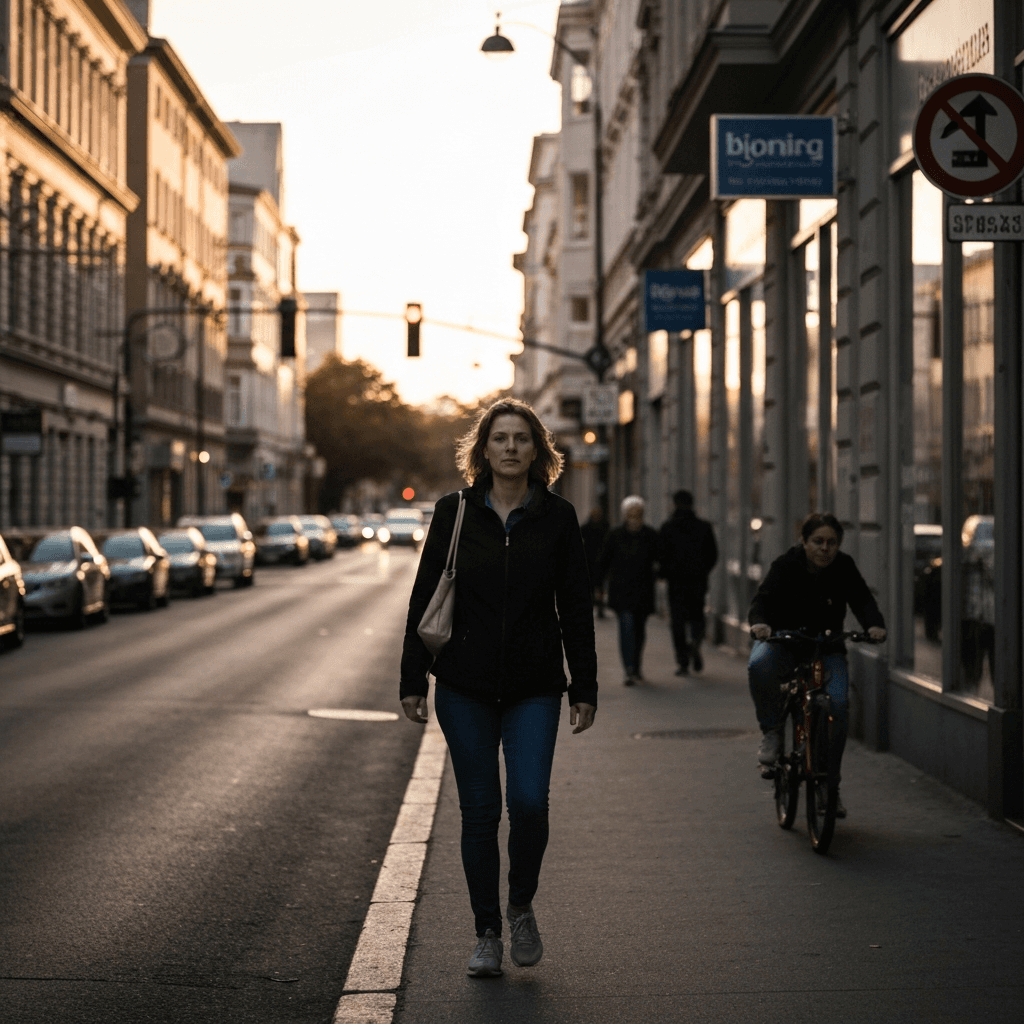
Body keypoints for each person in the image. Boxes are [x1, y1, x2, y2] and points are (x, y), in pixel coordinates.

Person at [400, 398, 597, 979]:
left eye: (521, 439)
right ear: (482, 451)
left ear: (538, 450)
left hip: (536, 686)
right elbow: (424, 598)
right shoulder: (454, 512)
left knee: (530, 804)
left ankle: (520, 905)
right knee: (480, 812)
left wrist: (584, 684)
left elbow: (577, 607)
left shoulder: (558, 518)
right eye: (500, 438)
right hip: (464, 686)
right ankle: (487, 931)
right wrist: (413, 678)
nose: (510, 447)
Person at [747, 512, 886, 816]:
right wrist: (760, 625)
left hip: (827, 648)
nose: (825, 548)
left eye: (832, 543)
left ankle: (828, 787)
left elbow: (863, 600)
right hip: (785, 642)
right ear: (804, 542)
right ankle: (771, 730)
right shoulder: (785, 565)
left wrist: (874, 624)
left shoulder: (844, 566)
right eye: (818, 541)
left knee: (837, 705)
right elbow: (762, 601)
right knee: (759, 665)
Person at [596, 495, 660, 686]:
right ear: (625, 515)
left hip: (643, 591)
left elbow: (660, 558)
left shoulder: (650, 535)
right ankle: (629, 669)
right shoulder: (615, 535)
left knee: (639, 630)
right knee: (626, 627)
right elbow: (603, 562)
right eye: (631, 514)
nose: (634, 517)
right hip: (621, 591)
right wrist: (598, 586)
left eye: (638, 513)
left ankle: (636, 665)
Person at [659, 490, 718, 675]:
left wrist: (666, 572)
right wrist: (702, 571)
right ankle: (695, 643)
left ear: (675, 504)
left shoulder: (668, 527)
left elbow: (661, 555)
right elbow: (713, 554)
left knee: (677, 622)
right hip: (697, 581)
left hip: (676, 583)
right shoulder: (704, 527)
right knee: (697, 616)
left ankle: (683, 660)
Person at [580, 506, 609, 618]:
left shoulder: (587, 527)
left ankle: (596, 606)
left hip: (593, 560)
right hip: (596, 560)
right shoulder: (604, 526)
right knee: (597, 586)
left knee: (594, 586)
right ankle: (598, 606)